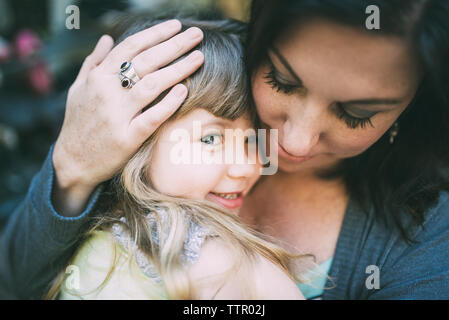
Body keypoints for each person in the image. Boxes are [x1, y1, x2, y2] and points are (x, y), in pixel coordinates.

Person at [1, 0, 449, 300]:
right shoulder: (158, 125)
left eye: (355, 114)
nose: (289, 144)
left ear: (412, 106)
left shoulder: (429, 234)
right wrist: (74, 167)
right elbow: (14, 283)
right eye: (281, 82)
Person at [47, 17, 306, 300]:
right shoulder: (216, 263)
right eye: (211, 139)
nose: (247, 166)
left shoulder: (215, 260)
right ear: (135, 140)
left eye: (253, 140)